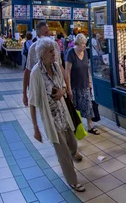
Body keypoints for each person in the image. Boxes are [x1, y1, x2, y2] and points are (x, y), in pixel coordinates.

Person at [28, 38, 86, 193]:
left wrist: (62, 91)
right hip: (51, 119)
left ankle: (73, 153)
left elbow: (64, 85)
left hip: (63, 114)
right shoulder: (36, 73)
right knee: (63, 153)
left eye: (54, 50)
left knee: (72, 144)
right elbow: (32, 102)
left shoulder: (56, 67)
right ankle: (73, 181)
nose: (54, 53)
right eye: (50, 51)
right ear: (42, 54)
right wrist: (35, 128)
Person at [23, 21, 66, 107]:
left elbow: (60, 67)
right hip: (41, 92)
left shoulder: (55, 46)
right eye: (45, 32)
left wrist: (66, 88)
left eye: (48, 31)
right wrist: (24, 94)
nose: (48, 34)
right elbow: (27, 71)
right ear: (39, 35)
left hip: (57, 91)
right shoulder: (33, 49)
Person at [65, 34, 99, 135]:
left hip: (84, 84)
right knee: (75, 108)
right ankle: (76, 128)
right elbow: (67, 72)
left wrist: (89, 82)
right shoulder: (71, 53)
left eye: (85, 44)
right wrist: (69, 89)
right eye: (83, 44)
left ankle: (90, 127)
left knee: (88, 106)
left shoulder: (85, 52)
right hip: (74, 85)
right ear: (78, 44)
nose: (85, 46)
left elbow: (87, 68)